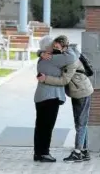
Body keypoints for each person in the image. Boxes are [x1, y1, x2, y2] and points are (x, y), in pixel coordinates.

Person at [37, 35, 94, 163]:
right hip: (77, 91)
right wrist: (40, 52)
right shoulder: (66, 53)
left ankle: (77, 153)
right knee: (81, 122)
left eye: (56, 47)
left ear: (64, 47)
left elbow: (64, 80)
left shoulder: (71, 59)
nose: (54, 49)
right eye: (54, 46)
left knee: (80, 123)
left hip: (82, 92)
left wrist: (45, 78)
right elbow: (49, 53)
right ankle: (84, 152)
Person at [33, 35, 77, 163]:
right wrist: (65, 45)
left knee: (40, 126)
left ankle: (38, 153)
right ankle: (45, 154)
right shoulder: (53, 58)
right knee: (47, 127)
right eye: (53, 45)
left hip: (41, 97)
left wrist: (40, 52)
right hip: (50, 97)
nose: (55, 47)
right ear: (49, 47)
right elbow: (72, 56)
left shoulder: (42, 59)